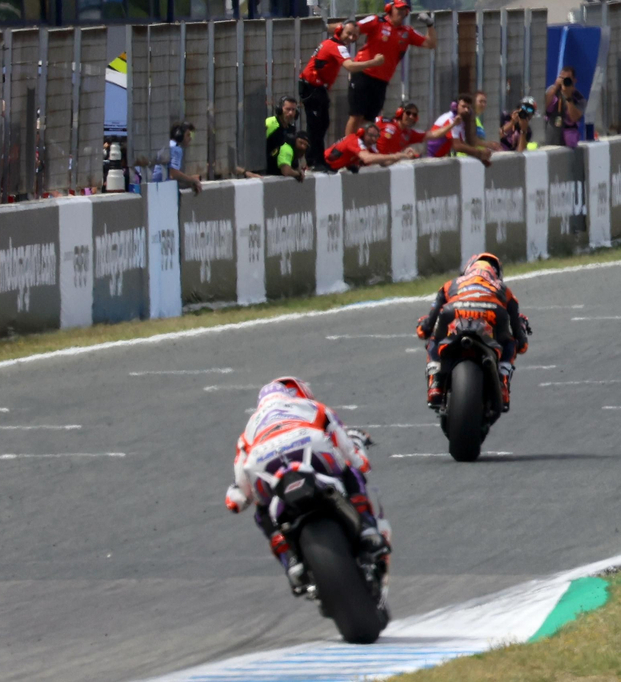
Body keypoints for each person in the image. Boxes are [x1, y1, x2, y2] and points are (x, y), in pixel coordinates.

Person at [222, 377, 388, 594]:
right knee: (350, 471)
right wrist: (360, 460)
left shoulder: (248, 431)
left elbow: (240, 494)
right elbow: (346, 447)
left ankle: (290, 558)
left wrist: (236, 498)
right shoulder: (311, 406)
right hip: (308, 443)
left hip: (263, 460)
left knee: (262, 509)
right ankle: (366, 527)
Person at [414, 253, 531, 412]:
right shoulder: (503, 289)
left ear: (467, 269)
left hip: (455, 312)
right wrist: (521, 342)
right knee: (509, 342)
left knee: (435, 338)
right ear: (496, 273)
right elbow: (518, 333)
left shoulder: (450, 284)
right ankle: (503, 383)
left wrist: (424, 328)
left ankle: (435, 383)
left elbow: (429, 322)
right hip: (492, 313)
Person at [346, 0, 436, 137]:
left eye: (404, 10)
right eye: (398, 9)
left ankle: (361, 147)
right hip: (363, 74)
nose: (401, 12)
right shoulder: (376, 22)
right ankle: (348, 147)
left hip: (381, 80)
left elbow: (430, 44)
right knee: (356, 115)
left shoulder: (407, 32)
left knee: (369, 120)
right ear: (389, 9)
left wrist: (430, 24)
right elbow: (353, 28)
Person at [300, 22, 385, 169]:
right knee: (316, 126)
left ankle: (317, 160)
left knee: (322, 124)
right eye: (348, 33)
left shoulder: (331, 43)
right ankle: (314, 161)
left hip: (317, 88)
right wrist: (374, 62)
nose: (351, 37)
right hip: (312, 87)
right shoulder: (337, 46)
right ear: (340, 31)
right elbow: (350, 66)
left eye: (354, 35)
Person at [324, 123, 419, 173]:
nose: (373, 139)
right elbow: (367, 158)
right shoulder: (354, 140)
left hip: (332, 170)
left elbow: (384, 162)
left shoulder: (367, 147)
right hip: (324, 166)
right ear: (362, 133)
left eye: (376, 136)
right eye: (370, 135)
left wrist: (402, 155)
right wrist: (395, 156)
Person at [427, 96, 493, 164]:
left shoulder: (460, 122)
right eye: (463, 107)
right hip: (432, 159)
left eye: (468, 108)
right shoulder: (450, 119)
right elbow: (457, 146)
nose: (466, 110)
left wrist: (479, 155)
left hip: (441, 158)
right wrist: (479, 153)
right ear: (455, 106)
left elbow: (462, 143)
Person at [374, 102, 447, 156]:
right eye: (408, 113)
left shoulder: (409, 134)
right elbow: (365, 126)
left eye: (414, 115)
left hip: (389, 166)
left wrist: (452, 124)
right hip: (373, 163)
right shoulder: (382, 121)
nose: (411, 117)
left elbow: (433, 135)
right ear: (400, 113)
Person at [265, 96, 309, 181]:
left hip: (281, 173)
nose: (291, 113)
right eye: (287, 109)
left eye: (293, 110)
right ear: (280, 110)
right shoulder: (270, 123)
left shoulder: (291, 129)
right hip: (268, 172)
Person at [152, 121, 202, 194]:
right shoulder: (176, 149)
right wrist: (192, 180)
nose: (190, 138)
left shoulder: (169, 145)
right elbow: (173, 174)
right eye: (188, 135)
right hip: (161, 188)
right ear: (180, 135)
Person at [545, 67, 585, 148]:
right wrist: (556, 86)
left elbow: (574, 117)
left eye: (568, 79)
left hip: (569, 143)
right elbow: (544, 105)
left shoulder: (579, 98)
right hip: (551, 139)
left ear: (574, 80)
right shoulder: (553, 91)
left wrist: (568, 97)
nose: (565, 81)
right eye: (562, 78)